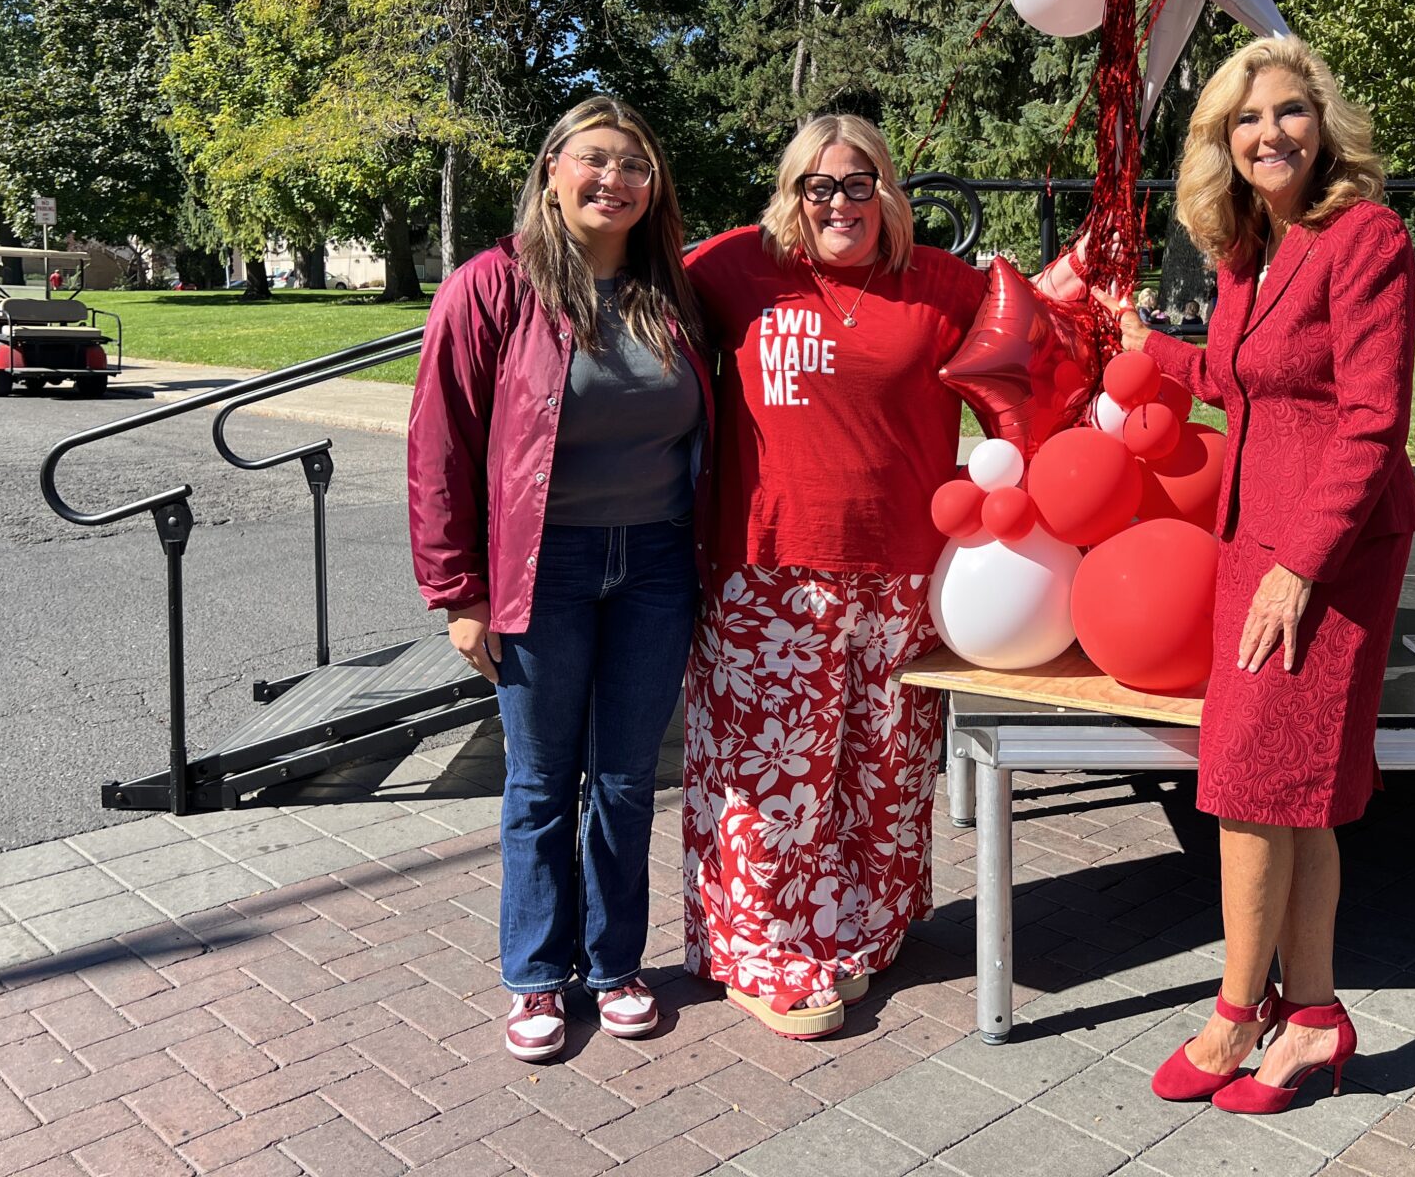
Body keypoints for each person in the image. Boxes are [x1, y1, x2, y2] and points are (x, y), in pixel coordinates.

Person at [1096, 35, 1415, 1114]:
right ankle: (1316, 1018)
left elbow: (1371, 424)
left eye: (1287, 111)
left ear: (1322, 123)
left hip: (1322, 555)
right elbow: (1245, 385)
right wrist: (1148, 345)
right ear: (1220, 143)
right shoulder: (1250, 250)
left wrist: (1296, 571)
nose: (1267, 133)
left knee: (1244, 784)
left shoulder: (1363, 238)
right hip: (1256, 547)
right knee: (1291, 795)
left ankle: (1236, 1015)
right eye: (1244, 118)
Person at [407, 96, 711, 1062]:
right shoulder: (491, 288)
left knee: (624, 779)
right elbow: (439, 447)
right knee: (541, 782)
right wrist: (458, 592)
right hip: (543, 568)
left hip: (657, 563)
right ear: (552, 171)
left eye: (634, 164)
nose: (614, 180)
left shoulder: (676, 291)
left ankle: (614, 962)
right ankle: (537, 979)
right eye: (595, 160)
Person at [681, 112, 988, 1039]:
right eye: (820, 185)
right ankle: (763, 952)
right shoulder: (734, 270)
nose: (841, 202)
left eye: (860, 184)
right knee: (778, 776)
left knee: (883, 768)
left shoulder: (940, 284)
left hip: (903, 572)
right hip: (773, 571)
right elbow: (622, 288)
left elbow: (1046, 343)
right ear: (792, 194)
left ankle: (859, 933)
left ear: (888, 191)